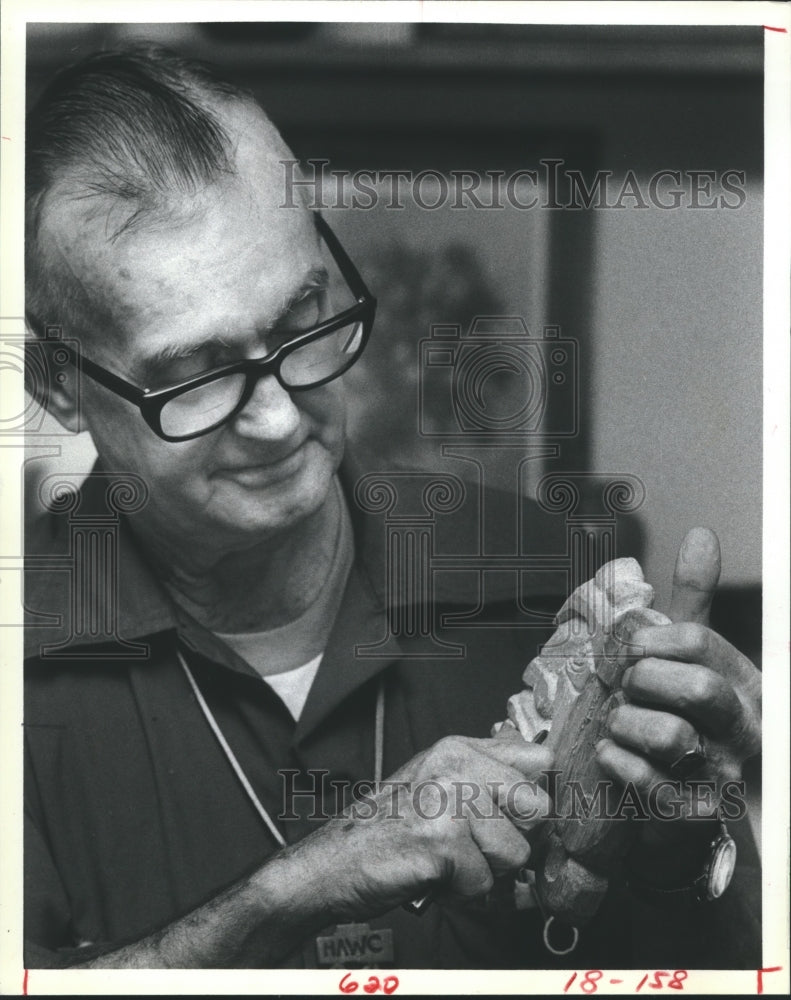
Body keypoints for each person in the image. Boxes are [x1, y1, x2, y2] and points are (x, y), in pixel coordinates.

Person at [23, 48, 761, 970]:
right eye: (196, 376)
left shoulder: (543, 570)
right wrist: (293, 890)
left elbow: (718, 968)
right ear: (59, 385)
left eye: (301, 322)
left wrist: (682, 849)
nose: (280, 419)